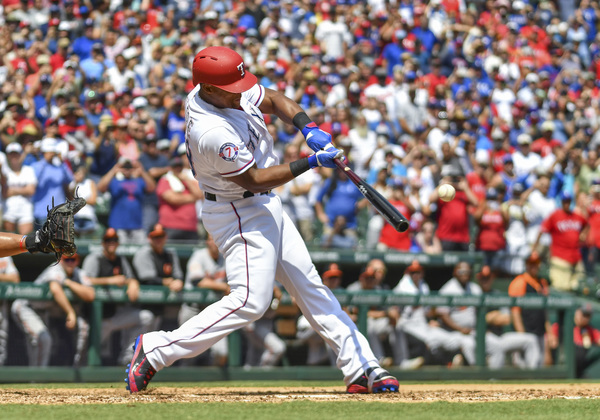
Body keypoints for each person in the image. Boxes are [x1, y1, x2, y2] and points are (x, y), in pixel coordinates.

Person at [126, 46, 399, 394]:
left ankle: (362, 367)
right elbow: (253, 179)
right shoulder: (211, 130)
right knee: (250, 302)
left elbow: (273, 98)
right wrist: (310, 162)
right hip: (237, 210)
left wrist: (308, 127)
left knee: (311, 287)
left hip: (265, 203)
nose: (241, 93)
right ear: (207, 88)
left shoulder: (219, 90)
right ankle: (156, 349)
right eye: (232, 89)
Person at [82, 228, 154, 365]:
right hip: (96, 319)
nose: (112, 243)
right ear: (102, 243)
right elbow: (85, 280)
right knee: (86, 355)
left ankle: (127, 358)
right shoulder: (95, 258)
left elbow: (130, 277)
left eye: (114, 240)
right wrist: (109, 280)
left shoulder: (120, 259)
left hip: (115, 315)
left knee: (146, 317)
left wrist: (133, 283)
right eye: (108, 240)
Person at [11, 254, 95, 366]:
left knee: (38, 346)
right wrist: (70, 312)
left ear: (77, 261)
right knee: (44, 339)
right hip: (26, 307)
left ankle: (35, 376)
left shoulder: (79, 273)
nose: (70, 262)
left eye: (73, 259)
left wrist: (69, 282)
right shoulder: (54, 269)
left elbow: (90, 295)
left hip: (43, 311)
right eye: (67, 259)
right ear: (60, 260)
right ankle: (38, 376)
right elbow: (55, 289)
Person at [436, 261, 505, 367]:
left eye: (467, 272)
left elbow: (479, 313)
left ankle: (494, 376)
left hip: (473, 331)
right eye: (461, 271)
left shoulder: (475, 289)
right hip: (454, 332)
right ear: (455, 273)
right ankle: (477, 372)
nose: (465, 274)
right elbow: (443, 315)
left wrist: (482, 329)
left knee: (497, 345)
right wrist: (460, 329)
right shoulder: (447, 290)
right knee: (470, 345)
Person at [177, 234, 229, 367]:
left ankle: (212, 378)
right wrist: (223, 287)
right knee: (187, 352)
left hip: (213, 310)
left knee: (221, 353)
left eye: (217, 239)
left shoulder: (225, 258)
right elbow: (198, 281)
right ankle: (182, 378)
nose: (215, 242)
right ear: (207, 242)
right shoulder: (199, 256)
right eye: (212, 239)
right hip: (193, 309)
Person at [475, 265, 540, 369]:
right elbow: (474, 321)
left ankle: (532, 375)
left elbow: (507, 318)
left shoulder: (496, 295)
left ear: (492, 278)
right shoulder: (474, 293)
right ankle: (493, 378)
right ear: (478, 278)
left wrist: (487, 318)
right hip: (482, 336)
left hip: (500, 336)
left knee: (531, 340)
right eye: (483, 277)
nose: (485, 280)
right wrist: (492, 316)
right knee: (497, 347)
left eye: (488, 277)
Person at [508, 252, 558, 367]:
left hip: (540, 334)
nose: (534, 266)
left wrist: (549, 334)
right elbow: (515, 312)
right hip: (526, 333)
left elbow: (545, 312)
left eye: (536, 263)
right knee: (523, 368)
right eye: (531, 263)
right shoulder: (519, 282)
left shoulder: (542, 283)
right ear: (526, 264)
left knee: (539, 368)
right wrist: (522, 337)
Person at [533, 191, 589, 292]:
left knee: (580, 287)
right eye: (564, 201)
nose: (567, 203)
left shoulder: (576, 216)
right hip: (560, 258)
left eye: (568, 201)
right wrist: (535, 248)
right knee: (561, 288)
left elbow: (586, 224)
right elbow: (542, 230)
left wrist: (583, 234)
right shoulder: (555, 215)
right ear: (561, 202)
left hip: (576, 258)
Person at [97, 157, 157, 244]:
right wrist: (114, 170)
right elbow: (101, 187)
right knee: (120, 250)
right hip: (118, 224)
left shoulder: (139, 181)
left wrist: (142, 171)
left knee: (140, 249)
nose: (127, 169)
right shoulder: (115, 181)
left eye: (129, 167)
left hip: (137, 225)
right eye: (125, 167)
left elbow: (152, 188)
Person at [552, 303, 600, 378]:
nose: (586, 318)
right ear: (577, 313)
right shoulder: (564, 325)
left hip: (579, 370)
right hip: (563, 368)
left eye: (588, 316)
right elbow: (551, 340)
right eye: (584, 314)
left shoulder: (589, 330)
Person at [2, 142, 37, 235]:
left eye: (16, 154)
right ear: (8, 156)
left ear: (20, 154)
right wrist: (24, 190)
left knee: (26, 238)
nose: (14, 157)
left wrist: (12, 190)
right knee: (9, 237)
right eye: (11, 154)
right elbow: (5, 193)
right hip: (8, 210)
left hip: (25, 209)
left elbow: (31, 190)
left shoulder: (28, 170)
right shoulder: (4, 172)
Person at [0, 256, 20, 366]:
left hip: (1, 305)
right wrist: (4, 278)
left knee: (2, 344)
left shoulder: (5, 257)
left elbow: (15, 278)